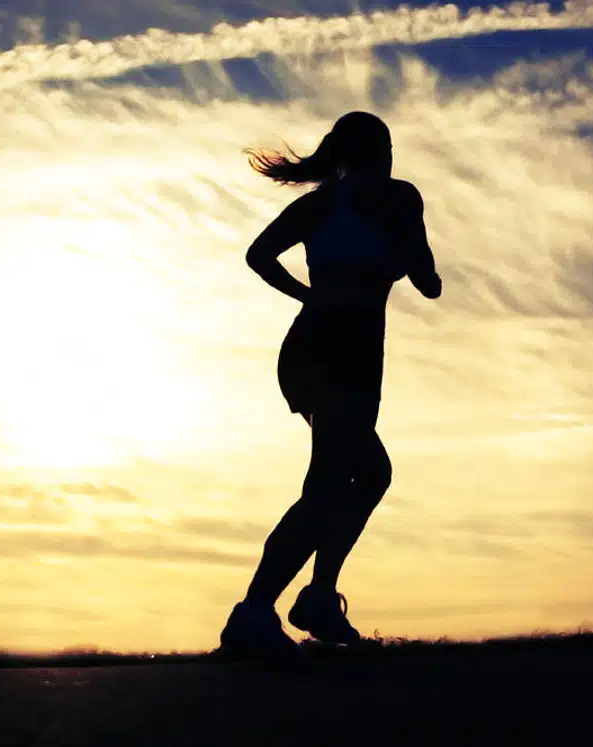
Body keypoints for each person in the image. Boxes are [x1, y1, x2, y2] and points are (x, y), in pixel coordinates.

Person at [218, 111, 442, 657]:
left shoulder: (320, 205)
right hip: (345, 353)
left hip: (315, 348)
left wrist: (307, 295)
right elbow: (429, 283)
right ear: (382, 151)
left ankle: (316, 597)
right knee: (330, 484)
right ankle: (254, 612)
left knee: (366, 474)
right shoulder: (399, 198)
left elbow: (257, 255)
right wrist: (405, 258)